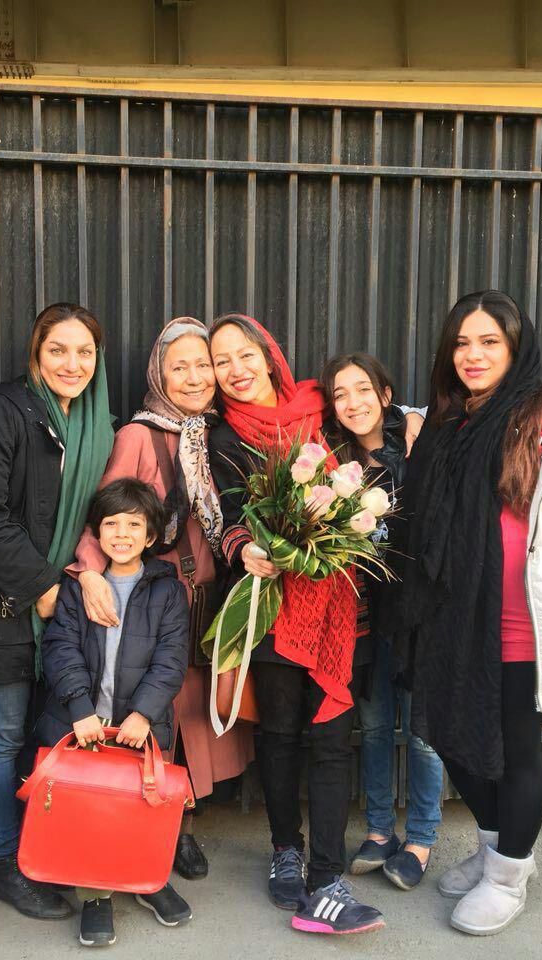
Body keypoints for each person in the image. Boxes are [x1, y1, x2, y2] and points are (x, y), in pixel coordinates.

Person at [398, 290, 542, 936]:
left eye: (489, 342)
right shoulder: (450, 422)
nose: (472, 355)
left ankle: (508, 877)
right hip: (453, 617)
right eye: (462, 343)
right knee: (450, 737)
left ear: (515, 347)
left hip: (524, 619)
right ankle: (497, 846)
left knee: (516, 750)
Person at [0, 303, 113, 923]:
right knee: (3, 736)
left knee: (48, 734)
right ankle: (8, 865)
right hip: (0, 604)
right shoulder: (2, 412)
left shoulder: (96, 425)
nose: (72, 364)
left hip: (63, 607)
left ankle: (48, 850)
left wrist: (79, 577)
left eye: (84, 352)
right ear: (36, 353)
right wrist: (40, 585)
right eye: (57, 350)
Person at [207, 314, 384, 936]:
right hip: (274, 606)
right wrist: (244, 548)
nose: (236, 369)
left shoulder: (322, 412)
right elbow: (226, 516)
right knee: (280, 734)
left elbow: (373, 424)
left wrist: (411, 418)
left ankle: (327, 875)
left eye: (245, 354)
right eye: (222, 361)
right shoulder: (222, 436)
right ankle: (286, 849)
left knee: (332, 739)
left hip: (339, 607)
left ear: (269, 354)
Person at [69, 317, 254, 881]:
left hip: (213, 597)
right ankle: (162, 828)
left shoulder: (221, 433)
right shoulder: (138, 436)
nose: (195, 378)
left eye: (204, 365)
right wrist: (90, 575)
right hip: (156, 602)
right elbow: (105, 513)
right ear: (158, 374)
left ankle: (182, 822)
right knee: (159, 712)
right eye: (180, 367)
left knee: (198, 717)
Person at [36, 478, 193, 947]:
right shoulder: (77, 587)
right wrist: (79, 708)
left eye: (133, 525)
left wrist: (144, 713)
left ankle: (147, 878)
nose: (121, 534)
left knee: (141, 806)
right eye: (111, 524)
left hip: (139, 724)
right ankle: (96, 893)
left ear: (151, 536)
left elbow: (171, 659)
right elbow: (60, 648)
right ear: (96, 531)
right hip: (86, 722)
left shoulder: (169, 591)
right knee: (93, 809)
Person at [319, 353, 445, 893]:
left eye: (363, 389)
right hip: (364, 612)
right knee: (371, 725)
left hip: (420, 611)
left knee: (422, 732)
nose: (353, 403)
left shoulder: (419, 443)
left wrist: (416, 417)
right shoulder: (331, 462)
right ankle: (377, 830)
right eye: (340, 394)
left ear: (386, 394)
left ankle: (421, 838)